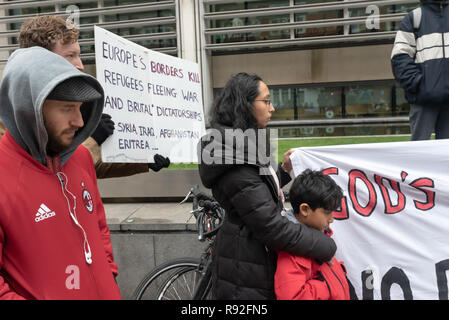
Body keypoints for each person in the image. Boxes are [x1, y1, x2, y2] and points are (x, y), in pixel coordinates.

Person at [197, 73, 337, 300]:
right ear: (245, 104)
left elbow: (259, 192)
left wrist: (284, 170)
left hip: (250, 260)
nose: (272, 108)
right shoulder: (234, 157)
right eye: (266, 101)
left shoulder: (244, 145)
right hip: (247, 272)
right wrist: (326, 246)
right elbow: (271, 226)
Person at [0, 46, 121, 299]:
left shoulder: (82, 157)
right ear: (29, 109)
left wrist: (108, 273)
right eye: (67, 108)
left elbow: (98, 225)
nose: (79, 121)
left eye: (80, 108)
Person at [12, 15, 170, 178]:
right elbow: (43, 174)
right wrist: (93, 140)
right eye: (70, 56)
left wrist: (144, 161)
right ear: (40, 59)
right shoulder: (8, 126)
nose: (80, 65)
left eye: (78, 55)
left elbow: (86, 167)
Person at [275, 169, 350, 300]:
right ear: (305, 209)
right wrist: (327, 284)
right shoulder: (292, 251)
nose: (331, 219)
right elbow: (293, 297)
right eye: (327, 212)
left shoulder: (319, 234)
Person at [391, 0, 449, 140]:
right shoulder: (414, 18)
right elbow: (399, 57)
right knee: (418, 152)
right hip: (423, 100)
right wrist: (419, 84)